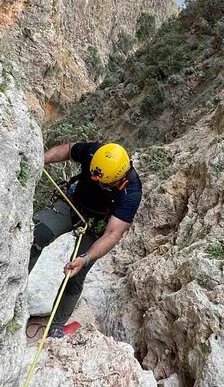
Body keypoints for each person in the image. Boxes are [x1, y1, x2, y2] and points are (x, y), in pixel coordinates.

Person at [29, 142, 142, 338]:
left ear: (119, 178)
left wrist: (85, 258)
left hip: (97, 223)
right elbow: (68, 150)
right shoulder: (95, 153)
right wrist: (41, 159)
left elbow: (112, 234)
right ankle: (9, 290)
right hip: (73, 204)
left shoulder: (131, 192)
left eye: (104, 183)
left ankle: (56, 326)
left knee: (76, 273)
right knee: (35, 235)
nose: (99, 183)